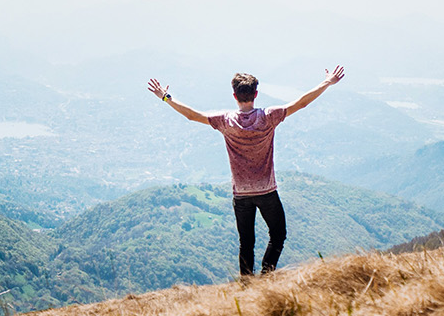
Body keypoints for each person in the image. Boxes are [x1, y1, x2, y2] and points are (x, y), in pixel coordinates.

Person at [147, 66, 346, 278]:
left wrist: (165, 97)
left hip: (241, 195)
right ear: (256, 94)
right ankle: (267, 275)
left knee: (246, 243)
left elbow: (192, 116)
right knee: (278, 235)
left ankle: (246, 284)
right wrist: (327, 82)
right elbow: (302, 103)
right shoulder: (268, 117)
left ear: (234, 95)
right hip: (267, 191)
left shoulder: (225, 120)